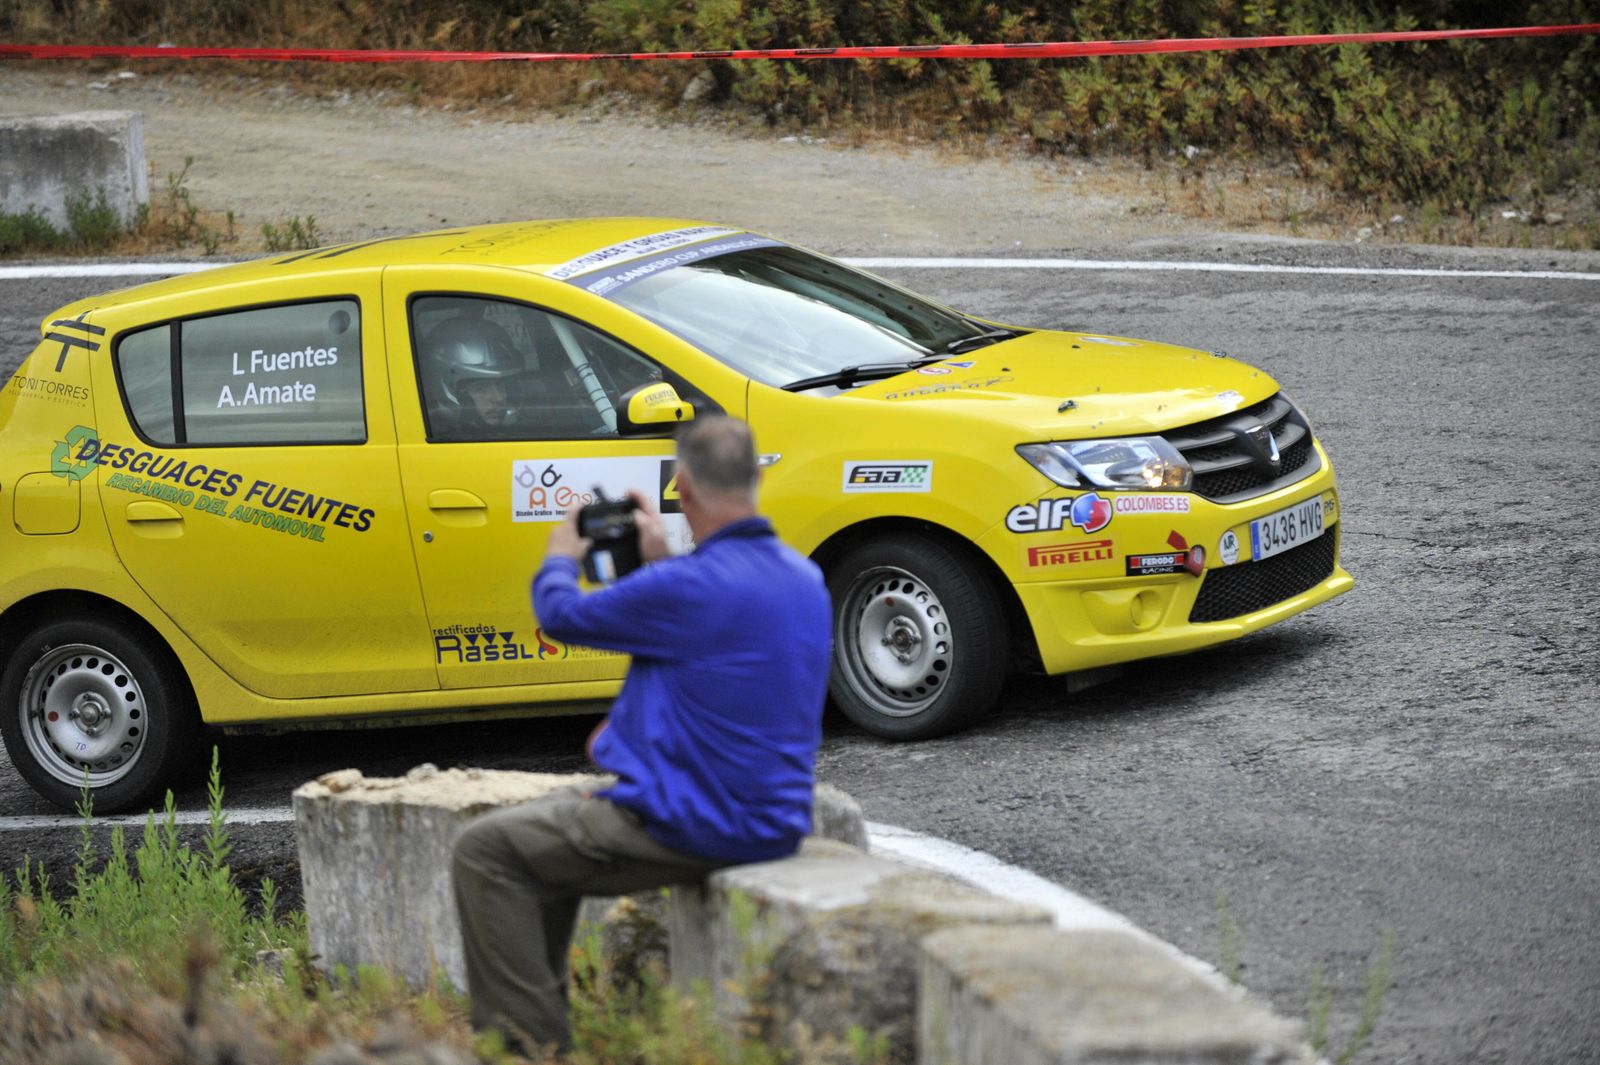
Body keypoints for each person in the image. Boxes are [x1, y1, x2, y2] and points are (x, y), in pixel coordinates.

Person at [450, 415, 832, 1056]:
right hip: (776, 813)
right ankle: (544, 1034)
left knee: (486, 851)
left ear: (681, 489)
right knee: (542, 838)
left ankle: (526, 1049)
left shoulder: (684, 587)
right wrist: (652, 566)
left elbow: (560, 614)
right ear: (757, 477)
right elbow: (704, 651)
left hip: (699, 822)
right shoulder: (802, 577)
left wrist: (559, 557)